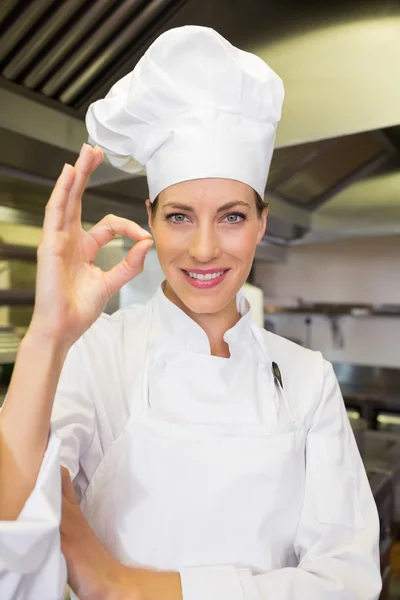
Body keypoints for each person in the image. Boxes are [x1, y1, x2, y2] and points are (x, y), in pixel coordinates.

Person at [0, 26, 381, 600]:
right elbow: (14, 527)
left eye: (231, 216)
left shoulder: (308, 381)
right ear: (150, 217)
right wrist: (48, 331)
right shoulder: (96, 354)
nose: (204, 249)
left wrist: (124, 586)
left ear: (261, 223)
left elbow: (346, 582)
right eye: (179, 216)